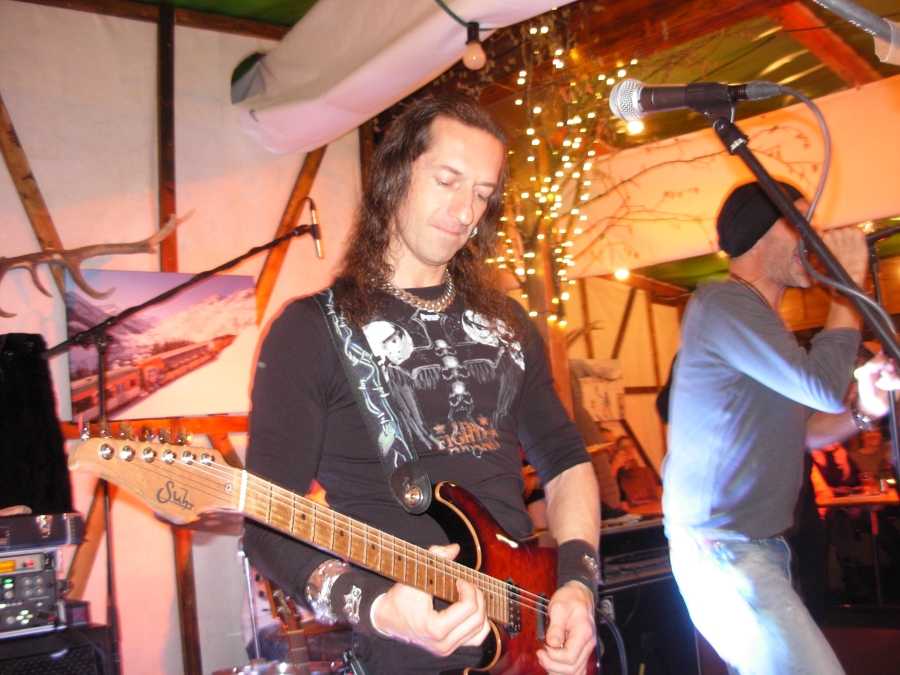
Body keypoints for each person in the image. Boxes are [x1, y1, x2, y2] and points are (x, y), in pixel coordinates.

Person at [243, 95, 600, 675]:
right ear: (394, 175)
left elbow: (564, 460)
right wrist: (380, 609)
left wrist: (579, 585)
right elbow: (266, 527)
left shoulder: (508, 323)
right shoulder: (311, 331)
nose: (464, 211)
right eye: (447, 181)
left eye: (482, 193)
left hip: (533, 649)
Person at [663, 180, 896, 674]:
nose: (813, 240)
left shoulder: (763, 325)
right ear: (758, 233)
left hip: (751, 548)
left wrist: (865, 410)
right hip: (722, 550)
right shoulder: (722, 303)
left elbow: (807, 429)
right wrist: (847, 285)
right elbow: (822, 386)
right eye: (799, 224)